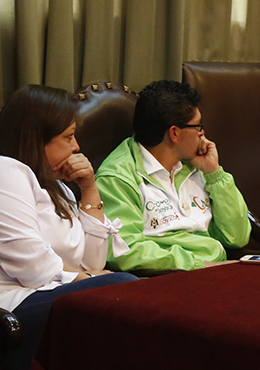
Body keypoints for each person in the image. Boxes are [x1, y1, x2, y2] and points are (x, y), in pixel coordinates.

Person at [0, 84, 136, 370]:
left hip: (33, 309)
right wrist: (93, 280)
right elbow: (34, 269)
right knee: (123, 292)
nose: (76, 147)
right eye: (68, 137)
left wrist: (89, 189)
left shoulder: (56, 187)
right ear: (37, 137)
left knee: (126, 303)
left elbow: (93, 261)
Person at [95, 80, 251, 270]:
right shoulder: (117, 178)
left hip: (214, 268)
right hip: (169, 276)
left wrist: (214, 174)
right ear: (174, 133)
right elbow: (124, 249)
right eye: (198, 126)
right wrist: (199, 265)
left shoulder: (194, 163)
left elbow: (236, 237)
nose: (202, 134)